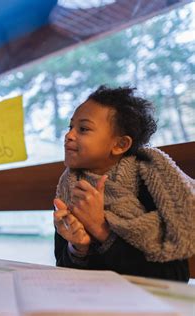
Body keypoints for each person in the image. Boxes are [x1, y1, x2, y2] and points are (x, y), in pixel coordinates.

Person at [53, 85, 194, 282]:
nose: (69, 135)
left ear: (120, 145)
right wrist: (77, 248)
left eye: (83, 129)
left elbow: (175, 277)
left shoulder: (151, 183)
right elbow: (64, 268)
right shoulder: (70, 186)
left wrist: (101, 229)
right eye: (71, 127)